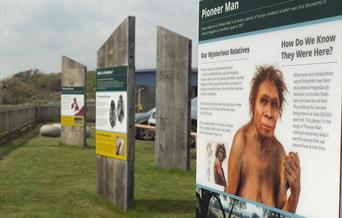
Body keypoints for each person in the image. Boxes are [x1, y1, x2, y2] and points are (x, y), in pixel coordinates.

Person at [224, 66, 301, 213]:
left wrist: (296, 192)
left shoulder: (279, 152)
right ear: (253, 105)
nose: (269, 113)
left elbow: (282, 213)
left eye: (274, 104)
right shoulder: (242, 140)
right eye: (263, 101)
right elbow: (228, 201)